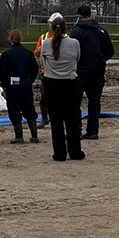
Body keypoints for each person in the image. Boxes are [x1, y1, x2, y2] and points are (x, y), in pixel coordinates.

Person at [41, 16, 84, 161]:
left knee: (56, 119)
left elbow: (43, 62)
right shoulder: (75, 43)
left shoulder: (46, 44)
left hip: (52, 83)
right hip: (70, 83)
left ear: (51, 30)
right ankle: (75, 151)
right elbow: (77, 59)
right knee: (73, 118)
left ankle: (59, 153)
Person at [70, 4, 115, 139]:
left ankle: (76, 130)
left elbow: (72, 53)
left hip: (80, 72)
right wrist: (100, 60)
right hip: (97, 71)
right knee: (94, 101)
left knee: (75, 102)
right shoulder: (101, 32)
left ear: (79, 16)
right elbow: (110, 51)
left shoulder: (76, 33)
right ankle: (93, 130)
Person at [0, 30, 39, 143]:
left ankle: (19, 136)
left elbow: (3, 72)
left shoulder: (6, 54)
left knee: (14, 110)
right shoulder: (28, 53)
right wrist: (30, 80)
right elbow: (35, 69)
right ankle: (34, 135)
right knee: (29, 108)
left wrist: (5, 85)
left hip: (13, 86)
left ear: (10, 39)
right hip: (26, 83)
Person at [33, 13, 60, 128]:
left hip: (60, 72)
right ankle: (44, 119)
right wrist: (39, 50)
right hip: (46, 71)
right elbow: (36, 53)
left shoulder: (66, 38)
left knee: (59, 98)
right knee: (44, 96)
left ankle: (58, 119)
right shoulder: (43, 38)